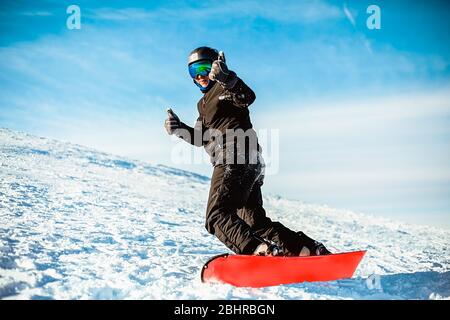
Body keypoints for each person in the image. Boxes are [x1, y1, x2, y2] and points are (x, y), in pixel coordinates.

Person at [164, 46, 331, 256]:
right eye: (193, 71)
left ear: (216, 66)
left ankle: (257, 251)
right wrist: (178, 128)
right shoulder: (203, 105)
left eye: (204, 68)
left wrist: (228, 79)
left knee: (216, 215)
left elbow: (247, 97)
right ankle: (305, 249)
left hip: (234, 156)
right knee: (254, 222)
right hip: (250, 163)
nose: (200, 76)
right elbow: (200, 138)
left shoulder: (226, 86)